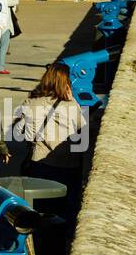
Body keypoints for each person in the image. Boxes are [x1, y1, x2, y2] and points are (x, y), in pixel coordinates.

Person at [11, 62, 88, 211]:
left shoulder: (31, 103)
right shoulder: (70, 106)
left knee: (40, 208)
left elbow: (20, 132)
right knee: (64, 209)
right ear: (66, 83)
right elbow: (83, 130)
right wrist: (73, 101)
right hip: (67, 165)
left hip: (39, 163)